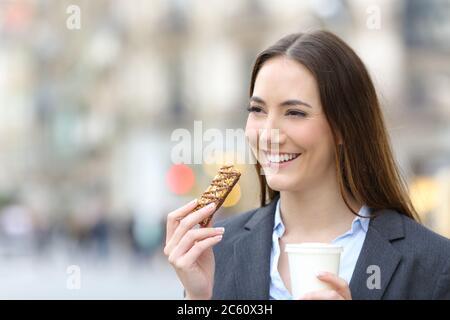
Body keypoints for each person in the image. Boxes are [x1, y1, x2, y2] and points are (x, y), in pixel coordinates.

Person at [164, 30, 450, 300]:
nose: (268, 134)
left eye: (295, 113)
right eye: (257, 110)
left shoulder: (433, 263)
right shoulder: (219, 250)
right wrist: (199, 298)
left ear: (343, 127)